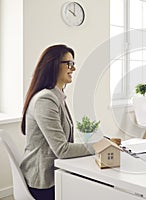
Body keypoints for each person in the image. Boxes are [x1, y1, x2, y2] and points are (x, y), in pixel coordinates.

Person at [20, 44, 94, 200]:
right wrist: (99, 146)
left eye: (73, 64)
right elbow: (62, 149)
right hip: (43, 182)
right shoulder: (45, 99)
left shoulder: (57, 95)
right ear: (53, 65)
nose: (73, 69)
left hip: (55, 173)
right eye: (69, 63)